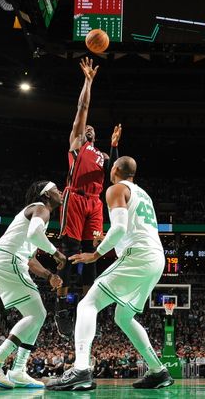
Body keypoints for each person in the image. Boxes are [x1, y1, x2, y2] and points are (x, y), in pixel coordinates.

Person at [46, 156, 173, 391]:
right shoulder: (143, 194)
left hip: (138, 256)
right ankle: (158, 371)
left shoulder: (115, 189)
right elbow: (131, 230)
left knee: (87, 306)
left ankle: (81, 369)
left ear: (114, 169)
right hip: (155, 258)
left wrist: (96, 253)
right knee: (123, 317)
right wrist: (110, 240)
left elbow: (121, 228)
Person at [0, 181, 66, 389]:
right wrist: (56, 253)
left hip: (6, 262)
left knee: (37, 314)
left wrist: (49, 275)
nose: (59, 192)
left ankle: (18, 370)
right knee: (37, 314)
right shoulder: (41, 208)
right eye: (55, 189)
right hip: (8, 261)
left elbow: (31, 260)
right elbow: (35, 235)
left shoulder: (35, 214)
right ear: (45, 194)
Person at [55, 57, 122, 336]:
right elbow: (83, 107)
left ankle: (86, 306)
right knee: (70, 253)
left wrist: (115, 147)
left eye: (93, 129)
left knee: (94, 252)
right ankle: (61, 307)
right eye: (87, 128)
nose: (89, 129)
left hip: (94, 202)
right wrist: (88, 81)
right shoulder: (76, 144)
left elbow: (116, 175)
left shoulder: (103, 155)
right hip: (75, 197)